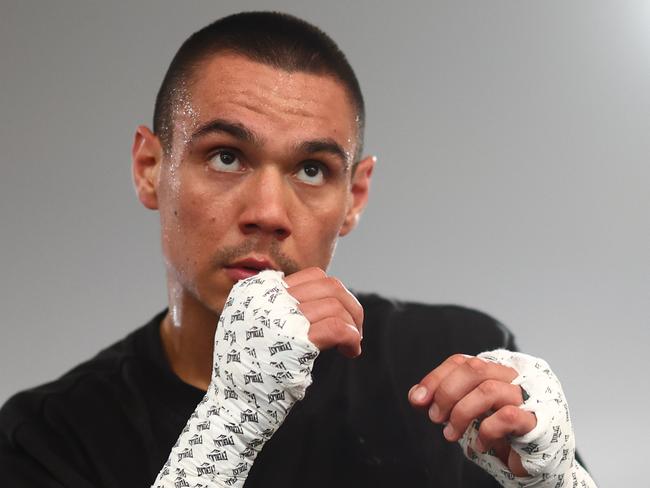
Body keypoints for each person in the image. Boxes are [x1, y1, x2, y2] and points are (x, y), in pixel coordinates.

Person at [0, 11, 595, 488]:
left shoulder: (449, 364)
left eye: (311, 169)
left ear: (354, 196)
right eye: (226, 156)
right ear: (150, 168)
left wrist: (558, 480)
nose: (268, 213)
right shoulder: (45, 436)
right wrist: (229, 425)